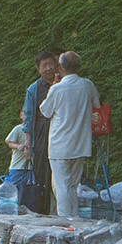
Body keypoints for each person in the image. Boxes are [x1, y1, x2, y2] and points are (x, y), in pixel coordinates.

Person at [40, 51, 98, 219]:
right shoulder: (87, 85)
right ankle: (74, 219)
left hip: (60, 144)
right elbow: (97, 105)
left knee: (62, 185)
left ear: (61, 67)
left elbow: (45, 110)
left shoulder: (57, 89)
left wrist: (53, 86)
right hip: (81, 142)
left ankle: (66, 221)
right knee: (72, 184)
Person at [18, 51, 60, 211]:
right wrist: (28, 145)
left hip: (61, 129)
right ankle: (42, 211)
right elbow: (28, 117)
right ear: (38, 69)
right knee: (42, 173)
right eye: (44, 66)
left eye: (51, 64)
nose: (48, 68)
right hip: (42, 131)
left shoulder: (63, 83)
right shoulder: (33, 89)